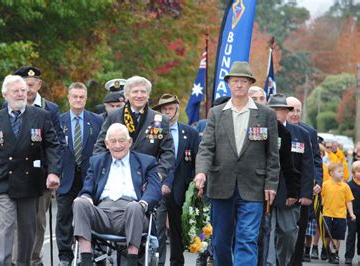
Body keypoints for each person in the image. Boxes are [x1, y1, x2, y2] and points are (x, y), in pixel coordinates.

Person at [194, 61, 280, 266]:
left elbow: (273, 155)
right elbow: (206, 148)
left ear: (250, 84)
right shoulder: (216, 113)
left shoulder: (266, 114)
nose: (239, 85)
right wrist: (201, 172)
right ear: (229, 84)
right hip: (220, 185)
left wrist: (271, 184)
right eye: (235, 81)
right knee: (221, 240)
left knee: (247, 238)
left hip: (253, 186)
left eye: (243, 81)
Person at [0, 75, 61, 266]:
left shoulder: (40, 116)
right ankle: (3, 263)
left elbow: (53, 146)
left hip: (31, 182)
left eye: (23, 90)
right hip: (5, 181)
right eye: (16, 91)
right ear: (6, 94)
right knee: (7, 224)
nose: (22, 94)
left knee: (28, 228)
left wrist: (53, 172)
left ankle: (23, 263)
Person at [73, 123, 162, 266]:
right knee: (79, 202)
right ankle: (86, 260)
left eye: (121, 140)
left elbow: (155, 188)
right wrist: (86, 198)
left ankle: (132, 260)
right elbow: (87, 189)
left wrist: (143, 203)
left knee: (134, 207)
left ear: (130, 142)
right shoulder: (97, 162)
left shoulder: (146, 162)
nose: (117, 145)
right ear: (106, 144)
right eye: (113, 141)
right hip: (102, 214)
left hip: (131, 213)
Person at [12, 66, 65, 265]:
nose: (28, 89)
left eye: (31, 85)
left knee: (38, 221)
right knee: (17, 221)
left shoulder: (50, 109)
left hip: (41, 175)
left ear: (39, 85)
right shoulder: (10, 105)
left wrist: (54, 171)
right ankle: (17, 259)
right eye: (24, 84)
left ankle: (34, 259)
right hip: (16, 173)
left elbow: (58, 142)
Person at [56, 82, 104, 266]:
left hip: (90, 178)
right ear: (68, 98)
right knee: (64, 218)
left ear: (86, 98)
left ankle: (94, 252)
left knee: (93, 216)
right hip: (65, 178)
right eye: (74, 96)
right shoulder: (58, 121)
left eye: (81, 97)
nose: (78, 100)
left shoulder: (97, 121)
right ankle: (65, 256)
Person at [94, 75, 175, 182]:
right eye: (135, 92)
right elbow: (100, 146)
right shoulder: (114, 116)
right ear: (127, 95)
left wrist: (158, 175)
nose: (139, 95)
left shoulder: (160, 119)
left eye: (143, 92)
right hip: (117, 177)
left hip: (148, 178)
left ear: (148, 95)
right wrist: (106, 169)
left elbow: (168, 153)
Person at [267, 94, 314, 266]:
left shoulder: (301, 134)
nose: (277, 113)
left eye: (280, 110)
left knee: (288, 232)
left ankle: (283, 262)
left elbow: (308, 165)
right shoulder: (261, 131)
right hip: (264, 191)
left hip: (289, 193)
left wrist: (306, 193)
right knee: (266, 232)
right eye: (273, 110)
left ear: (287, 112)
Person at [152, 94, 199, 265]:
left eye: (171, 109)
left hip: (181, 189)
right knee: (158, 228)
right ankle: (158, 261)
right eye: (164, 109)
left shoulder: (190, 133)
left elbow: (197, 160)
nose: (168, 112)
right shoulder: (153, 132)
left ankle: (177, 262)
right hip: (158, 186)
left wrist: (196, 186)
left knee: (177, 231)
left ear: (177, 111)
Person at [285, 96, 323, 265]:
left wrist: (318, 182)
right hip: (283, 189)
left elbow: (316, 161)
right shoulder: (277, 129)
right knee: (284, 232)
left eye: (298, 110)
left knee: (300, 231)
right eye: (292, 110)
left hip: (303, 190)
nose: (295, 114)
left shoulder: (309, 133)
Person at [321, 162, 356, 264]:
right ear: (331, 173)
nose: (342, 174)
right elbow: (321, 197)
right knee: (327, 235)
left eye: (343, 172)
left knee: (337, 236)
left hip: (340, 215)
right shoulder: (325, 184)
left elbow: (348, 201)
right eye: (339, 171)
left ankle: (334, 253)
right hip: (327, 214)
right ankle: (325, 248)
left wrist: (351, 213)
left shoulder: (345, 187)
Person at [345, 161, 360, 264]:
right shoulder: (349, 185)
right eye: (358, 171)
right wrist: (350, 213)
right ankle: (349, 257)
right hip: (352, 214)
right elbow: (346, 200)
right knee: (351, 236)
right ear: (353, 173)